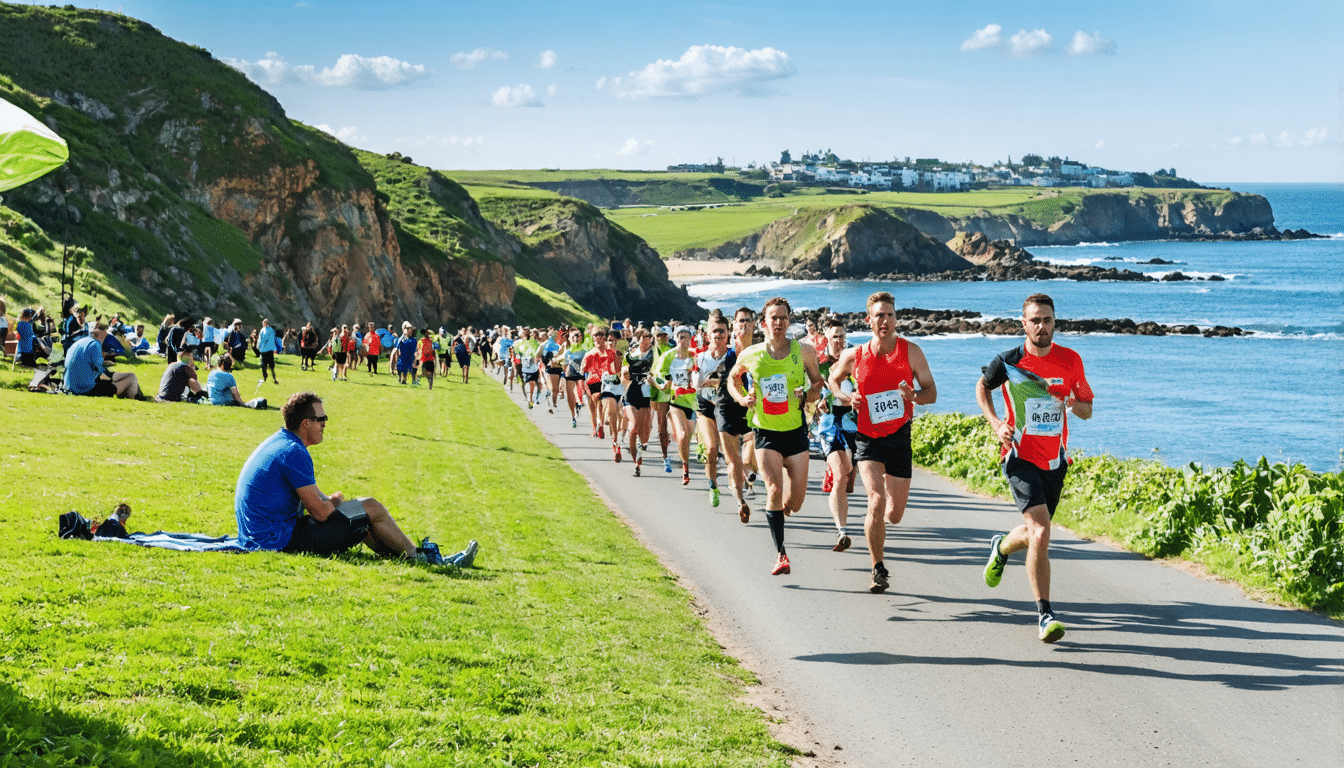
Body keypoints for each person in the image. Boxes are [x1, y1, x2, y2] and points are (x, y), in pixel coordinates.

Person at [977, 293, 1094, 643]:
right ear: (1023, 323)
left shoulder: (1070, 360)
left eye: (1047, 319)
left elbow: (1088, 408)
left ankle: (1000, 547)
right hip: (1018, 456)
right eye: (1035, 320)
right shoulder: (1009, 361)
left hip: (1055, 460)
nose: (1041, 326)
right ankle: (1045, 614)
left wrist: (1074, 404)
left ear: (1055, 321)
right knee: (1041, 533)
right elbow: (982, 387)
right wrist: (996, 423)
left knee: (1033, 534)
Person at [827, 292, 938, 594]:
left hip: (899, 436)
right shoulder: (856, 355)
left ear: (895, 318)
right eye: (879, 315)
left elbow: (931, 392)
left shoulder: (911, 352)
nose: (885, 321)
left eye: (889, 315)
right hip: (868, 440)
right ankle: (878, 568)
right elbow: (833, 379)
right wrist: (847, 397)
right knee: (875, 500)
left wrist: (913, 396)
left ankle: (882, 526)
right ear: (869, 320)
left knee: (894, 514)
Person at [234, 391, 421, 558]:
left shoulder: (281, 441)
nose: (324, 424)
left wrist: (331, 503)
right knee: (370, 507)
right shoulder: (294, 451)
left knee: (358, 519)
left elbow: (315, 501)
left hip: (260, 534)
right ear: (305, 423)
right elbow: (321, 513)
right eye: (321, 419)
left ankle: (404, 557)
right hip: (275, 540)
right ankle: (417, 555)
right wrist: (336, 503)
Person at [729, 298, 823, 576]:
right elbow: (733, 379)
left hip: (795, 433)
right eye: (773, 318)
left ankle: (780, 513)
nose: (779, 323)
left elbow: (818, 384)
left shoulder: (805, 351)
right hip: (766, 432)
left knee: (795, 502)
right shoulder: (751, 354)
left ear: (789, 320)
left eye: (783, 318)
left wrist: (807, 394)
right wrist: (742, 398)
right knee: (773, 489)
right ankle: (781, 554)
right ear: (764, 323)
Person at [694, 312, 749, 515]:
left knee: (731, 457)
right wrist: (709, 380)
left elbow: (742, 378)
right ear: (708, 335)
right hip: (706, 407)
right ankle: (712, 485)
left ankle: (739, 496)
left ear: (727, 335)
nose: (717, 335)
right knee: (710, 449)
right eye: (714, 331)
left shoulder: (734, 356)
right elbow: (695, 384)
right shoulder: (699, 357)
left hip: (728, 407)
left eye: (721, 332)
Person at [816, 318, 858, 551]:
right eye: (835, 336)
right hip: (829, 424)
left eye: (842, 335)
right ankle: (842, 531)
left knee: (848, 476)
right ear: (827, 339)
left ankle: (840, 471)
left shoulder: (853, 360)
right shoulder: (819, 364)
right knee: (841, 475)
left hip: (853, 423)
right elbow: (809, 392)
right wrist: (817, 403)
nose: (839, 340)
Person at [654, 326, 699, 483]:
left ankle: (684, 458)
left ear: (690, 338)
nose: (683, 340)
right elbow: (660, 374)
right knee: (682, 435)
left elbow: (703, 372)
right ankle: (685, 468)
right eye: (680, 337)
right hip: (675, 400)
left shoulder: (695, 356)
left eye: (686, 337)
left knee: (688, 436)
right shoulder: (668, 356)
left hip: (692, 402)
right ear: (675, 338)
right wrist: (667, 382)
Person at [64, 323, 142, 398]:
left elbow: (85, 362)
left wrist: (105, 364)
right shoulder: (95, 344)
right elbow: (103, 372)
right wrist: (111, 375)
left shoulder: (81, 342)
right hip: (84, 389)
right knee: (131, 378)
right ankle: (138, 398)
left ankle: (138, 397)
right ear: (101, 336)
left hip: (69, 385)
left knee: (127, 377)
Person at [620, 327, 657, 476]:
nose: (645, 345)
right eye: (643, 342)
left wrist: (653, 379)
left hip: (647, 395)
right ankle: (635, 462)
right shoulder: (630, 355)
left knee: (645, 434)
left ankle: (638, 459)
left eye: (648, 343)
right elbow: (623, 374)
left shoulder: (655, 355)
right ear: (638, 340)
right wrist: (625, 375)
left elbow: (659, 371)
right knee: (633, 428)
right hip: (632, 393)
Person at [582, 328, 623, 456]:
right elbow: (583, 368)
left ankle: (604, 426)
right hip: (594, 380)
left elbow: (618, 369)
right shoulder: (590, 353)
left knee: (606, 404)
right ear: (593, 339)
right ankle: (597, 425)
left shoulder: (611, 352)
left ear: (605, 338)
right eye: (596, 336)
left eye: (601, 336)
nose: (599, 339)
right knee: (595, 399)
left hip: (608, 382)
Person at [257, 318, 280, 385]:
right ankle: (269, 378)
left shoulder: (268, 330)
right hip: (266, 350)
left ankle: (271, 378)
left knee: (268, 366)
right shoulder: (265, 330)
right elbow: (260, 339)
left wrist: (259, 346)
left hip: (267, 350)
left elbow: (263, 340)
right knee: (267, 365)